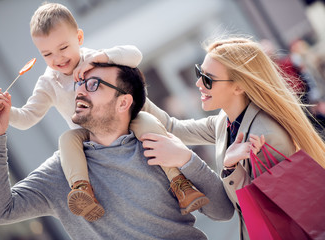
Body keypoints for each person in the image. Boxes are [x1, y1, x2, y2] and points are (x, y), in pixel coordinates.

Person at [0, 62, 234, 239]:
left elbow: (223, 210)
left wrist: (187, 159)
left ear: (123, 102)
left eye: (93, 85)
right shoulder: (63, 169)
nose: (79, 90)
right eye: (79, 84)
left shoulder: (160, 147)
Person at [8, 2, 208, 221]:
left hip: (123, 120)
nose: (58, 59)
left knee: (147, 123)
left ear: (79, 38)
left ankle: (180, 183)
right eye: (47, 54)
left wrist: (101, 58)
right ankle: (83, 190)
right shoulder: (48, 83)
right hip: (91, 134)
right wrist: (6, 111)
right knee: (67, 140)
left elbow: (135, 55)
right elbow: (27, 118)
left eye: (63, 48)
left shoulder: (95, 59)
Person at [139, 36, 325, 240]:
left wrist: (230, 168)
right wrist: (132, 91)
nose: (198, 83)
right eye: (199, 72)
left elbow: (259, 209)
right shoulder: (225, 121)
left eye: (208, 78)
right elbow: (172, 127)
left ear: (239, 87)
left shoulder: (264, 136)